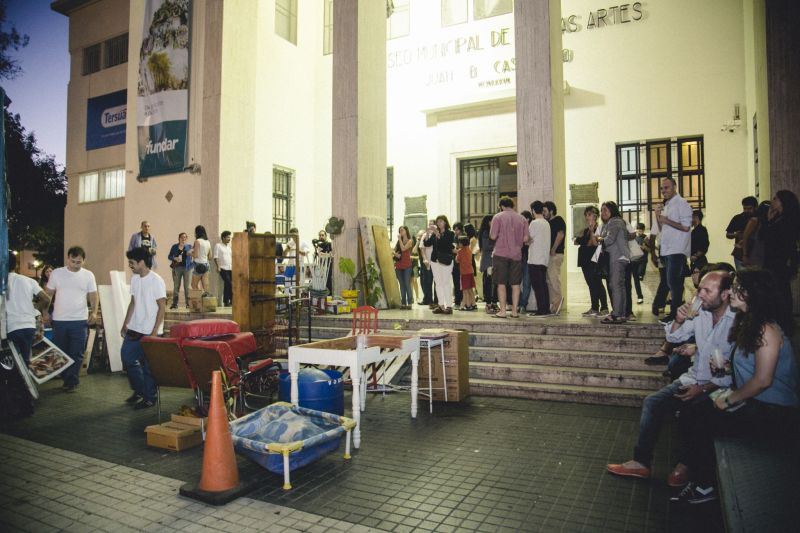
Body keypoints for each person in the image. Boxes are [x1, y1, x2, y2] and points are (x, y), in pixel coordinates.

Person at [670, 268, 798, 504]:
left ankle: (705, 483)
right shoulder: (750, 324)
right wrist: (728, 367)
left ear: (752, 294)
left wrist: (729, 399)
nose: (733, 293)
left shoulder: (766, 329)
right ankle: (698, 476)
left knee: (701, 419)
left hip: (774, 412)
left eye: (739, 288)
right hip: (757, 403)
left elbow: (763, 380)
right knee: (691, 412)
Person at [606, 270, 735, 484]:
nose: (700, 294)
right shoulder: (700, 312)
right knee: (653, 402)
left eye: (707, 290)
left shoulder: (737, 320)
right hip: (694, 379)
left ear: (725, 295)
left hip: (720, 387)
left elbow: (739, 371)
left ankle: (685, 466)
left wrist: (703, 389)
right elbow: (674, 336)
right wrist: (678, 318)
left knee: (692, 411)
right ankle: (641, 462)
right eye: (699, 288)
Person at [45, 246, 99, 392]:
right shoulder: (56, 273)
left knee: (76, 352)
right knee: (60, 351)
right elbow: (48, 294)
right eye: (73, 261)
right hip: (59, 320)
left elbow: (93, 295)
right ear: (68, 258)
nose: (75, 265)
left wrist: (94, 313)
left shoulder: (88, 275)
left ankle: (71, 381)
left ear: (84, 261)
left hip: (80, 321)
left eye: (79, 262)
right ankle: (64, 376)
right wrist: (45, 312)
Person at [120, 247, 167, 409]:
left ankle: (149, 397)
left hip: (150, 331)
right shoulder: (134, 279)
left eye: (132, 263)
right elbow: (133, 302)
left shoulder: (156, 280)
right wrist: (125, 323)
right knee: (127, 358)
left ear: (141, 262)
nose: (130, 265)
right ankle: (140, 391)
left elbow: (162, 307)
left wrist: (154, 332)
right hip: (134, 328)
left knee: (149, 367)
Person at [760, 190, 799, 335]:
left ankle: (783, 325)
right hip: (773, 263)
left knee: (780, 295)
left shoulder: (788, 220)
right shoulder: (778, 219)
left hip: (780, 264)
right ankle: (780, 324)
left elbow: (777, 241)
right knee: (778, 294)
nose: (772, 201)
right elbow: (763, 237)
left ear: (782, 201)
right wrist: (768, 221)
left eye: (775, 199)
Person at [654, 177, 693, 321]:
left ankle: (675, 315)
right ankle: (674, 314)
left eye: (667, 187)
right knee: (670, 283)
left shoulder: (682, 203)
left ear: (675, 187)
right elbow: (661, 229)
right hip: (667, 249)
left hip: (677, 249)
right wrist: (657, 216)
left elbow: (686, 226)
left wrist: (666, 220)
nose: (663, 191)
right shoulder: (668, 205)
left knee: (674, 283)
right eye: (662, 188)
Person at [7, 253, 51, 366]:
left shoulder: (3, 283)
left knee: (13, 363)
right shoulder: (28, 280)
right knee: (26, 359)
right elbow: (46, 299)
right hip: (29, 325)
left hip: (11, 326)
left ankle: (18, 382)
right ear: (16, 265)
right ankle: (27, 381)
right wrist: (35, 308)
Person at [489, 197, 528, 319]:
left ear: (501, 206)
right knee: (515, 284)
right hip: (516, 255)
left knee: (501, 284)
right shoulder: (522, 218)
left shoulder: (498, 217)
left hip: (501, 254)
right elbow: (526, 239)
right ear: (512, 205)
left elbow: (493, 235)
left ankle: (502, 311)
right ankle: (515, 312)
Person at [598, 201, 630, 324]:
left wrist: (600, 239)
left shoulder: (615, 221)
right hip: (621, 257)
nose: (602, 213)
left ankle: (616, 314)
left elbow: (609, 239)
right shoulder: (615, 222)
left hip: (617, 257)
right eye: (601, 210)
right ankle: (621, 314)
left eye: (605, 210)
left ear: (613, 210)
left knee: (615, 286)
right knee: (620, 286)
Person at [574, 205, 608, 316]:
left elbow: (592, 243)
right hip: (585, 259)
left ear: (596, 216)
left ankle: (603, 307)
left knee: (597, 283)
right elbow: (576, 241)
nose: (588, 217)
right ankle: (594, 307)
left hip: (595, 259)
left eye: (591, 214)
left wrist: (590, 232)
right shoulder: (586, 230)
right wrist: (585, 235)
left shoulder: (599, 228)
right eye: (587, 214)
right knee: (591, 284)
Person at [423, 215, 455, 314]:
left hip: (445, 260)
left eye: (441, 221)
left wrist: (437, 234)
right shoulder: (434, 234)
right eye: (438, 222)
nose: (439, 223)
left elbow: (445, 245)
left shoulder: (450, 233)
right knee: (438, 283)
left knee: (446, 282)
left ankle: (449, 306)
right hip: (435, 260)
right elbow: (427, 244)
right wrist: (428, 234)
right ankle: (441, 305)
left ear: (445, 222)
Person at [527, 201, 551, 317]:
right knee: (543, 284)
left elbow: (528, 239)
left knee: (537, 286)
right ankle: (546, 308)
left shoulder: (534, 223)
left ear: (533, 210)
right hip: (544, 259)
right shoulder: (546, 223)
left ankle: (541, 310)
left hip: (535, 259)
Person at [543, 201, 566, 314]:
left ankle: (558, 301)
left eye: (545, 211)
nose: (543, 213)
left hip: (555, 254)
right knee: (549, 280)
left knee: (553, 278)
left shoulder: (558, 220)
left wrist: (553, 249)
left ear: (551, 211)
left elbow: (560, 234)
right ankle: (554, 304)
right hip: (549, 255)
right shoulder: (547, 223)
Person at [725, 196, 757, 270]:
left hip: (755, 253)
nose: (746, 211)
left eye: (749, 208)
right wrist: (736, 234)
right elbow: (728, 234)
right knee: (742, 277)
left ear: (755, 207)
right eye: (745, 208)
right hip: (740, 253)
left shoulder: (759, 218)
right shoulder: (737, 218)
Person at [741, 200, 770, 268]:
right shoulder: (754, 221)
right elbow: (745, 237)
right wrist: (745, 255)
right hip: (754, 252)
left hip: (763, 253)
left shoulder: (770, 222)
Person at [167, 232, 193, 309]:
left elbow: (194, 255)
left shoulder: (189, 246)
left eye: (185, 237)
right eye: (182, 237)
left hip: (187, 268)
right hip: (177, 268)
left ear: (186, 238)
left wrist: (191, 253)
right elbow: (169, 256)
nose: (183, 239)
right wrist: (174, 258)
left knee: (187, 286)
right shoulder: (174, 247)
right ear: (179, 238)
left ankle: (188, 303)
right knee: (176, 286)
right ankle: (175, 303)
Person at [478, 215, 496, 313]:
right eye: (492, 221)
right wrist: (496, 244)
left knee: (491, 283)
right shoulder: (486, 232)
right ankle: (488, 303)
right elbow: (486, 246)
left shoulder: (489, 232)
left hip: (491, 260)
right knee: (488, 283)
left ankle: (491, 302)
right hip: (488, 261)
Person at [393, 225, 414, 309]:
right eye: (400, 231)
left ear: (406, 231)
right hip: (398, 265)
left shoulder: (410, 241)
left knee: (407, 284)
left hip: (407, 265)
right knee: (401, 284)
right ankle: (403, 303)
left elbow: (403, 249)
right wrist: (395, 254)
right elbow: (394, 250)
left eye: (402, 230)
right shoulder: (399, 242)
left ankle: (409, 303)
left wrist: (399, 240)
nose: (401, 232)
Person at [456, 236, 476, 310]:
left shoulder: (460, 251)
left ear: (461, 243)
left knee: (465, 290)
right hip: (470, 271)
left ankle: (468, 305)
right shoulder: (469, 250)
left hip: (464, 273)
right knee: (470, 289)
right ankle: (473, 303)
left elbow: (457, 260)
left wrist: (457, 252)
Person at [519, 210, 533, 313]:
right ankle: (518, 303)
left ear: (527, 219)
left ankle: (523, 304)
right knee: (514, 282)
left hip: (529, 258)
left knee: (527, 282)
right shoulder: (519, 229)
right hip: (519, 258)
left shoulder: (532, 228)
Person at [214, 231, 233, 307]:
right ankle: (229, 300)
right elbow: (216, 257)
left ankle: (226, 302)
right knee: (228, 283)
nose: (229, 239)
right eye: (228, 237)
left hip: (230, 268)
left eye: (230, 237)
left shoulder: (229, 247)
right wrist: (218, 266)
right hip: (222, 268)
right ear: (223, 238)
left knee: (227, 284)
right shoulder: (218, 245)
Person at [191, 225, 212, 292]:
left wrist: (189, 253)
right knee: (205, 285)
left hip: (198, 265)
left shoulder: (197, 241)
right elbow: (210, 256)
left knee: (194, 285)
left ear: (197, 233)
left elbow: (196, 255)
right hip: (206, 264)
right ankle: (206, 300)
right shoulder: (207, 242)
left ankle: (199, 299)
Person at [416, 228, 434, 306]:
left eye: (421, 235)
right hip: (422, 265)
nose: (420, 237)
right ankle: (426, 298)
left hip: (427, 264)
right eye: (419, 235)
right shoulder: (419, 244)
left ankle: (429, 300)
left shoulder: (426, 242)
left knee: (428, 282)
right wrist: (417, 242)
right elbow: (414, 251)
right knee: (422, 282)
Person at [631, 222, 648, 305]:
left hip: (642, 260)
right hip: (634, 261)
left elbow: (650, 249)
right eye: (638, 230)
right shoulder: (633, 238)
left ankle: (641, 275)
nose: (639, 232)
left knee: (640, 274)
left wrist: (644, 247)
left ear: (644, 230)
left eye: (641, 231)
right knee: (636, 280)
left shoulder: (646, 238)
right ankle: (640, 297)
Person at [451, 222, 464, 308]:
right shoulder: (453, 238)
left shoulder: (464, 238)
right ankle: (457, 301)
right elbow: (452, 250)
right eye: (454, 230)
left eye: (457, 229)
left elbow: (465, 250)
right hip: (455, 263)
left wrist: (457, 250)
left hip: (463, 263)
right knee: (456, 282)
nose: (456, 231)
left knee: (463, 283)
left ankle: (464, 301)